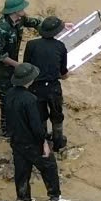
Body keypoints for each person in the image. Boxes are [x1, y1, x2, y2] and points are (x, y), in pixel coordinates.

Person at [0, 63, 61, 201]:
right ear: (30, 79)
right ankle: (54, 199)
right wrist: (44, 142)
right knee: (49, 167)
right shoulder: (30, 99)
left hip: (16, 141)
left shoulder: (8, 94)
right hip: (32, 142)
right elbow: (36, 125)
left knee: (22, 172)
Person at [23, 15, 72, 152]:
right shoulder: (60, 47)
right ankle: (58, 142)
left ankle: (42, 142)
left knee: (39, 116)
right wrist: (66, 75)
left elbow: (27, 67)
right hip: (53, 87)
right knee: (57, 115)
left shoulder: (31, 45)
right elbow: (63, 73)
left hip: (35, 88)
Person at [0, 0, 30, 96]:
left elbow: (35, 23)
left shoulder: (20, 19)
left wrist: (62, 25)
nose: (24, 10)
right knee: (6, 96)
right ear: (15, 11)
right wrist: (18, 65)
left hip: (12, 64)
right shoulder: (1, 28)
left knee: (14, 91)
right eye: (22, 8)